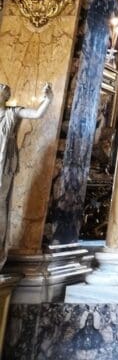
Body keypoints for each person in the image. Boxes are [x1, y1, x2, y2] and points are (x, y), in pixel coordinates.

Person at [0, 81, 53, 268]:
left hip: (2, 166)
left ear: (5, 97)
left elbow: (37, 114)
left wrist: (48, 99)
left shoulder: (11, 113)